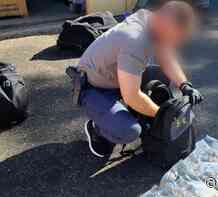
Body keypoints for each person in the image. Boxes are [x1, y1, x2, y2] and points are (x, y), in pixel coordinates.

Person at [78, 1, 204, 158]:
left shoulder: (154, 20)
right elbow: (132, 96)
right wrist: (163, 117)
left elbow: (166, 55)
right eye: (175, 36)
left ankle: (138, 112)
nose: (176, 42)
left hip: (116, 76)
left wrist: (185, 85)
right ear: (165, 25)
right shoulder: (135, 40)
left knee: (162, 74)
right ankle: (97, 129)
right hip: (94, 86)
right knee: (129, 130)